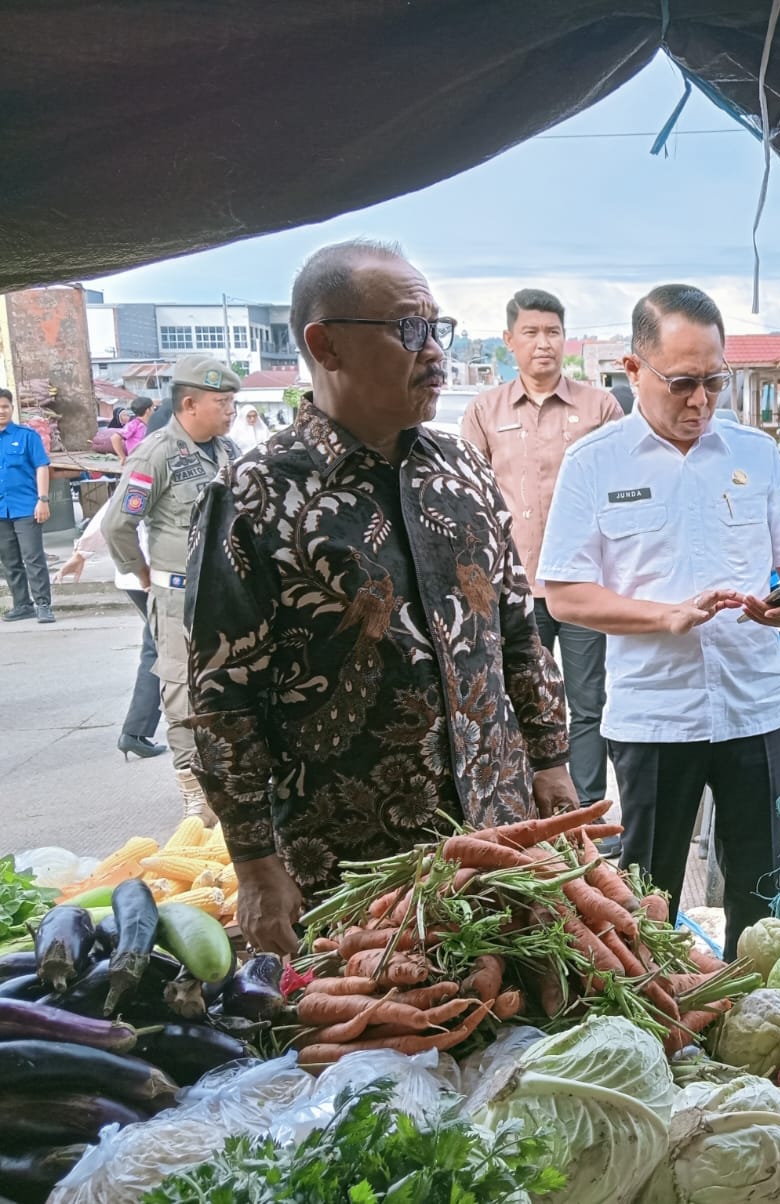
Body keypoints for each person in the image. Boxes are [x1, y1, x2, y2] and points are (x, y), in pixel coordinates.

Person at [186, 239, 576, 955]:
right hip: (353, 875)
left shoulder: (463, 469)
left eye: (437, 327)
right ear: (325, 345)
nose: (434, 351)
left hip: (499, 841)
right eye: (408, 328)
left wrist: (550, 759)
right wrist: (255, 861)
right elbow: (223, 693)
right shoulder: (252, 494)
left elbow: (516, 630)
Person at [540, 283, 780, 952]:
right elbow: (565, 595)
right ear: (633, 369)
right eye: (683, 383)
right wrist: (661, 617)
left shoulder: (754, 453)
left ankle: (752, 1001)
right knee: (649, 895)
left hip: (754, 706)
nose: (700, 401)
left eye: (715, 382)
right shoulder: (594, 463)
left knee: (759, 885)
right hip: (655, 715)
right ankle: (659, 1003)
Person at [460, 289, 623, 815]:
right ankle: (524, 815)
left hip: (582, 585)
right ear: (509, 341)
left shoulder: (600, 408)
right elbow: (469, 498)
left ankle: (586, 812)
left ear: (565, 338)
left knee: (587, 702)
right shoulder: (485, 411)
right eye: (530, 332)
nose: (543, 343)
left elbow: (622, 491)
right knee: (514, 701)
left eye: (553, 331)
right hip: (513, 589)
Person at [103, 355, 241, 817]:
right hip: (179, 595)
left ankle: (231, 781)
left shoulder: (229, 451)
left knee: (231, 685)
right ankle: (193, 788)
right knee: (183, 690)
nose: (231, 410)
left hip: (229, 595)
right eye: (222, 402)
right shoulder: (155, 454)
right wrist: (141, 573)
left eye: (232, 401)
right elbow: (118, 524)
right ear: (190, 404)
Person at [54, 504, 168, 759]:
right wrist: (81, 553)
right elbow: (113, 521)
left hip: (146, 576)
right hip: (150, 576)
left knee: (161, 648)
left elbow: (109, 514)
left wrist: (82, 553)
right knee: (163, 649)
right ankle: (136, 731)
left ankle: (137, 731)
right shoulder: (150, 478)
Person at [0, 388, 55, 624]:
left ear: (12, 408)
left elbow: (41, 467)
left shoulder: (27, 436)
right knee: (9, 560)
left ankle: (43, 605)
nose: (1, 411)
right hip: (1, 510)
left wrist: (43, 500)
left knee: (33, 557)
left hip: (26, 507)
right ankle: (22, 605)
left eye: (5, 406)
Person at [111, 396, 154, 463]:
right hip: (136, 462)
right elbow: (115, 438)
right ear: (148, 410)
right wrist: (122, 457)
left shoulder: (148, 424)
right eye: (153, 408)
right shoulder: (134, 424)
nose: (154, 410)